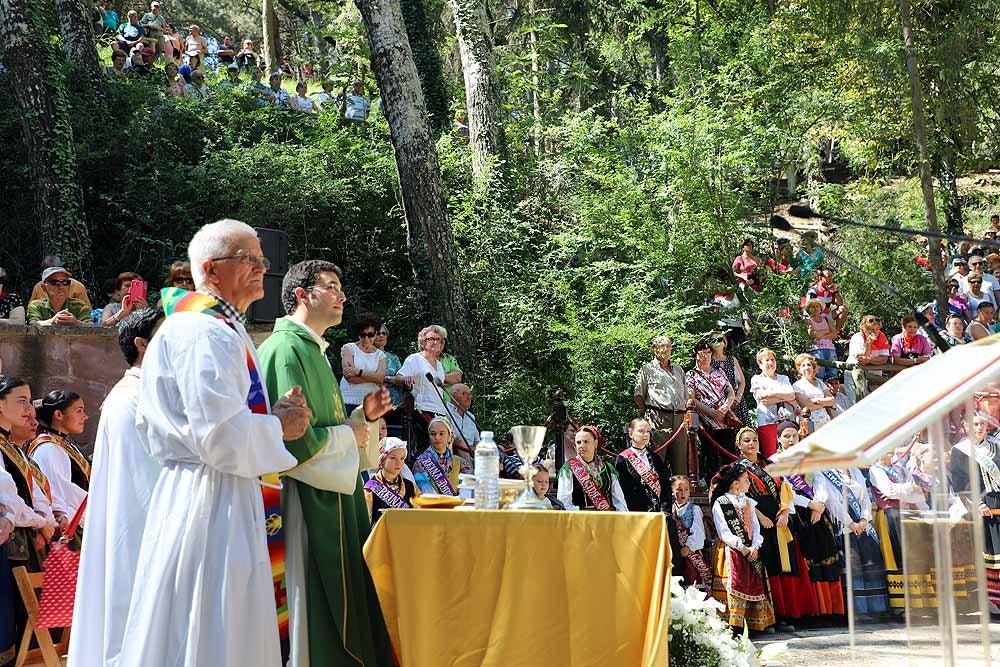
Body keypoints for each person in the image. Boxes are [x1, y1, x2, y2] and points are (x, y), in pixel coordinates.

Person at [116, 220, 311, 667]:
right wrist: (278, 426)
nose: (262, 267)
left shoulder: (211, 326)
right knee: (215, 627)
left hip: (209, 490)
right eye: (249, 258)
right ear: (211, 269)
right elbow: (219, 437)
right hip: (213, 498)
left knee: (205, 624)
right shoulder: (205, 332)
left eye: (262, 259)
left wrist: (269, 416)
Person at [256, 258, 393, 667]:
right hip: (305, 505)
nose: (341, 296)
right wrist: (348, 435)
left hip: (332, 497)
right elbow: (291, 445)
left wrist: (361, 420)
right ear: (302, 294)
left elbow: (327, 429)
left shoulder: (314, 351)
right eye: (331, 286)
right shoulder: (284, 350)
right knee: (312, 609)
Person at [69, 308, 165, 667]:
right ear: (142, 344)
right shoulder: (131, 398)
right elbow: (144, 483)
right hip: (141, 532)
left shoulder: (146, 393)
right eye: (165, 335)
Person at [735, 427, 818, 630]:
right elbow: (739, 497)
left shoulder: (769, 464)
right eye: (747, 441)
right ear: (739, 445)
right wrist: (760, 517)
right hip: (756, 522)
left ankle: (785, 615)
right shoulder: (736, 468)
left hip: (778, 520)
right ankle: (767, 618)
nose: (752, 444)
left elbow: (784, 489)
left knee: (784, 566)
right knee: (767, 567)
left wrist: (784, 511)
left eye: (755, 440)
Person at [777, 422, 845, 617]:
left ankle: (833, 610)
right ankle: (815, 610)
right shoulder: (776, 461)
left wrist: (820, 503)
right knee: (809, 561)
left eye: (794, 436)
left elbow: (821, 481)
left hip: (817, 512)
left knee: (827, 555)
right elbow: (786, 490)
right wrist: (810, 504)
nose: (791, 440)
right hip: (798, 514)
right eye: (786, 436)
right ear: (778, 438)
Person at [709, 461, 775, 634]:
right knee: (735, 584)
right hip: (732, 551)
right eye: (746, 479)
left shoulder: (749, 502)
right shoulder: (721, 503)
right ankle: (734, 625)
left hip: (751, 550)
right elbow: (723, 530)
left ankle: (754, 623)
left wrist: (755, 546)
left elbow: (755, 526)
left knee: (753, 583)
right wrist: (742, 547)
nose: (749, 482)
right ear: (735, 483)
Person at [814, 466, 890, 617]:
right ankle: (858, 611)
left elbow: (865, 499)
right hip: (845, 527)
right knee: (853, 567)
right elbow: (832, 502)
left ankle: (877, 608)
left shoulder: (854, 471)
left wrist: (864, 519)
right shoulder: (823, 472)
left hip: (863, 526)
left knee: (871, 564)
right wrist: (850, 523)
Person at [949, 412, 1000, 615]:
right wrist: (977, 504)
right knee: (990, 553)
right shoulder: (960, 451)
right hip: (982, 506)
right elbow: (960, 484)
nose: (980, 428)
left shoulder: (996, 447)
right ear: (967, 425)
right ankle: (991, 599)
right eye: (975, 424)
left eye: (982, 424)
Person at [869, 450, 926, 613]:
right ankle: (901, 603)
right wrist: (908, 489)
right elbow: (889, 491)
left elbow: (918, 495)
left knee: (914, 556)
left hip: (909, 514)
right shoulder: (876, 470)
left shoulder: (901, 469)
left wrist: (904, 492)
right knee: (898, 555)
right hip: (891, 516)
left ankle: (918, 600)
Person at [29, 391, 89, 526]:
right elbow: (60, 493)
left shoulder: (65, 446)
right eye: (79, 411)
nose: (85, 417)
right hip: (69, 523)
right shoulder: (48, 448)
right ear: (59, 415)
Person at [634, 336, 690, 475]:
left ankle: (680, 494)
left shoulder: (679, 370)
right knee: (656, 459)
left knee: (680, 462)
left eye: (668, 346)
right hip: (657, 417)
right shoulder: (647, 369)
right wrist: (647, 414)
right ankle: (655, 493)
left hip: (680, 420)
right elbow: (638, 395)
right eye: (661, 346)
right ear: (654, 350)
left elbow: (686, 396)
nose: (665, 349)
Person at [687, 340, 737, 480]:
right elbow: (691, 400)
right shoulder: (691, 375)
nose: (705, 356)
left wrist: (725, 407)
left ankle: (731, 484)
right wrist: (711, 413)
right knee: (711, 457)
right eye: (702, 353)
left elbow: (731, 392)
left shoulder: (719, 372)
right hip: (706, 422)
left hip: (725, 420)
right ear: (695, 355)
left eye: (708, 353)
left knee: (729, 455)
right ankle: (713, 486)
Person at [398, 325, 449, 448]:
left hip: (440, 411)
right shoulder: (415, 359)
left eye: (439, 339)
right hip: (422, 410)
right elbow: (399, 376)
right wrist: (405, 379)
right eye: (431, 339)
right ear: (422, 341)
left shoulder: (439, 364)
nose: (436, 342)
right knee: (428, 447)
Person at [556, 426, 627, 511]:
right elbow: (563, 503)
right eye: (578, 442)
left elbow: (620, 501)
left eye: (586, 442)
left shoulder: (608, 468)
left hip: (607, 520)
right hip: (581, 520)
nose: (582, 446)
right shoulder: (568, 469)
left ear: (595, 443)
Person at [614, 418, 672, 512]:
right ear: (631, 434)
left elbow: (665, 485)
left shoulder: (655, 457)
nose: (645, 434)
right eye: (641, 431)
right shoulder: (623, 459)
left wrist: (665, 510)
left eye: (648, 431)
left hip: (658, 513)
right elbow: (623, 489)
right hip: (636, 513)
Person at [749, 347, 796, 459]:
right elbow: (764, 399)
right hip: (767, 422)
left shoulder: (784, 378)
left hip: (787, 421)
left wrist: (772, 393)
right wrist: (783, 396)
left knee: (790, 453)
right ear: (760, 364)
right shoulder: (756, 379)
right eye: (767, 360)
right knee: (771, 455)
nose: (770, 363)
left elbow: (792, 395)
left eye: (773, 360)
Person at [339, 313, 387, 414]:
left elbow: (381, 378)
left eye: (370, 335)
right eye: (363, 335)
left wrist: (358, 371)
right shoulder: (349, 348)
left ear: (375, 334)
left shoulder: (380, 355)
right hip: (349, 401)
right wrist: (373, 378)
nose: (366, 339)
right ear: (358, 334)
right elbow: (349, 378)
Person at [364, 437, 418, 524]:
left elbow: (420, 514)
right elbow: (366, 521)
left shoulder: (410, 486)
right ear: (382, 459)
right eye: (393, 458)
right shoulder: (370, 488)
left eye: (402, 458)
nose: (398, 462)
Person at [671, 475, 710, 589]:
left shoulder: (694, 509)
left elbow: (699, 533)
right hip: (674, 554)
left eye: (686, 489)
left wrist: (688, 547)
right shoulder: (669, 510)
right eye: (679, 490)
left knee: (693, 585)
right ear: (673, 491)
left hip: (690, 554)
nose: (683, 493)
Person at [845, 314, 890, 403]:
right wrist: (868, 344)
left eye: (877, 329)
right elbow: (861, 361)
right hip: (855, 376)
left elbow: (884, 359)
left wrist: (869, 360)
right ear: (864, 328)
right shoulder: (857, 338)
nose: (875, 332)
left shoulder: (882, 337)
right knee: (855, 403)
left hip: (874, 377)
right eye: (872, 329)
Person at [27, 267, 92, 326]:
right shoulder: (36, 306)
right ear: (44, 287)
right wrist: (52, 321)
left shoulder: (79, 305)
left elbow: (91, 326)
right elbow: (33, 324)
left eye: (65, 282)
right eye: (54, 282)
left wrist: (76, 323)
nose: (61, 287)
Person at [412, 417, 460, 495]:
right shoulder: (421, 463)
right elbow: (425, 490)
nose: (437, 437)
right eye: (433, 434)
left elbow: (467, 489)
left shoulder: (460, 463)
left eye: (441, 433)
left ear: (449, 436)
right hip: (433, 506)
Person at [710, 334, 750, 426]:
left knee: (743, 431)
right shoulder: (709, 361)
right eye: (713, 340)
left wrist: (738, 397)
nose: (716, 342)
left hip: (737, 401)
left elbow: (742, 381)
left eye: (719, 339)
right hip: (719, 403)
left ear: (725, 343)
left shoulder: (732, 359)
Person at [792, 353, 836, 428]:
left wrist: (816, 401)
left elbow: (832, 401)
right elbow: (806, 406)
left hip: (825, 421)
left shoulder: (819, 382)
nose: (807, 368)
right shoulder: (797, 386)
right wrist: (825, 403)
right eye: (803, 366)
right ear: (799, 370)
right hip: (809, 423)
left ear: (813, 367)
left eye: (809, 365)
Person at [374, 324, 410, 410]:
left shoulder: (393, 358)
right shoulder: (366, 357)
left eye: (384, 333)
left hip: (395, 404)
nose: (381, 335)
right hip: (374, 403)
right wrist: (392, 380)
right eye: (378, 333)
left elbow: (401, 380)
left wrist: (385, 378)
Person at [447, 383, 479, 473]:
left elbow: (477, 441)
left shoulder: (471, 416)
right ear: (453, 395)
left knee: (498, 448)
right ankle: (470, 473)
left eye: (470, 394)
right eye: (464, 394)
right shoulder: (444, 411)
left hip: (473, 454)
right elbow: (451, 438)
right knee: (460, 441)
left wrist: (478, 448)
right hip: (455, 451)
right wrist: (469, 448)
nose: (469, 397)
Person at [804, 298, 838, 380]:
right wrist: (827, 331)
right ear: (809, 309)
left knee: (833, 372)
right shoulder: (808, 321)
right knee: (819, 372)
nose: (815, 308)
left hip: (830, 348)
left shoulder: (827, 319)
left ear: (821, 308)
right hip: (815, 349)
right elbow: (813, 335)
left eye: (817, 306)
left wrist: (820, 335)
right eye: (813, 307)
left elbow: (835, 335)